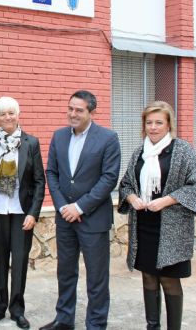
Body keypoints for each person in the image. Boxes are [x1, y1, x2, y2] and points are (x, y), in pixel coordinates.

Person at [118, 101, 196, 330]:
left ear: (168, 125)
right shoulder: (140, 152)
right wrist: (132, 198)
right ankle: (152, 326)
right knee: (148, 277)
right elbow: (126, 183)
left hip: (171, 226)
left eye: (159, 122)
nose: (153, 127)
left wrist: (166, 201)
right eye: (149, 122)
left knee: (169, 280)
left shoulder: (182, 150)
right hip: (144, 224)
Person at [40, 90, 121, 330]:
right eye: (70, 109)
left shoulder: (108, 138)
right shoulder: (59, 136)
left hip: (93, 219)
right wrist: (63, 205)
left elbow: (109, 179)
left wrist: (80, 207)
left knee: (96, 277)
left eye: (79, 110)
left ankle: (95, 324)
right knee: (65, 273)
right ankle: (64, 320)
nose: (72, 114)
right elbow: (52, 173)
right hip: (65, 218)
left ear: (91, 112)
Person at [0, 97, 46, 329]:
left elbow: (38, 181)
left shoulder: (30, 143)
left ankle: (17, 309)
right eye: (3, 113)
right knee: (0, 260)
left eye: (11, 113)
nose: (7, 117)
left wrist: (33, 213)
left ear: (18, 114)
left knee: (20, 262)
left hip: (21, 212)